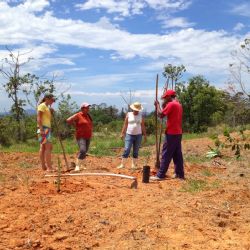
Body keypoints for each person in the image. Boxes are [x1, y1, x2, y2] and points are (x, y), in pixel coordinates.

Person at [151, 89, 185, 180]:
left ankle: (160, 175)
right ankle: (180, 174)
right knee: (177, 154)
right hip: (178, 132)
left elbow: (161, 115)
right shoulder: (178, 104)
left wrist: (157, 106)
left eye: (165, 98)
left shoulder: (171, 104)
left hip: (172, 133)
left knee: (166, 154)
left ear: (169, 97)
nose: (164, 100)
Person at [117, 102, 147, 170]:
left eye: (137, 109)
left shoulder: (141, 115)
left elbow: (143, 126)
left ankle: (134, 165)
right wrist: (122, 133)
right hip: (129, 134)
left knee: (136, 150)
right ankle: (122, 164)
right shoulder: (129, 114)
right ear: (133, 109)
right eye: (135, 109)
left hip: (138, 135)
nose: (136, 110)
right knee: (127, 149)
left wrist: (145, 136)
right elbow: (125, 124)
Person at [66, 102, 93, 171]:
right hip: (81, 136)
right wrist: (75, 123)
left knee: (85, 151)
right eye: (86, 108)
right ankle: (77, 166)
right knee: (82, 150)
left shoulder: (88, 116)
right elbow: (68, 120)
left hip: (88, 136)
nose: (88, 109)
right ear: (82, 109)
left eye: (88, 108)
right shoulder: (78, 115)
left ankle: (82, 165)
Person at [37, 93, 55, 172]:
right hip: (44, 128)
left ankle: (44, 166)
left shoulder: (46, 107)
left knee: (43, 147)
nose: (53, 101)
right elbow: (39, 118)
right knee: (48, 147)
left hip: (45, 128)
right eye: (52, 99)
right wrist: (41, 129)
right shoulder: (42, 106)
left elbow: (46, 117)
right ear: (47, 99)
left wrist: (51, 111)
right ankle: (49, 168)